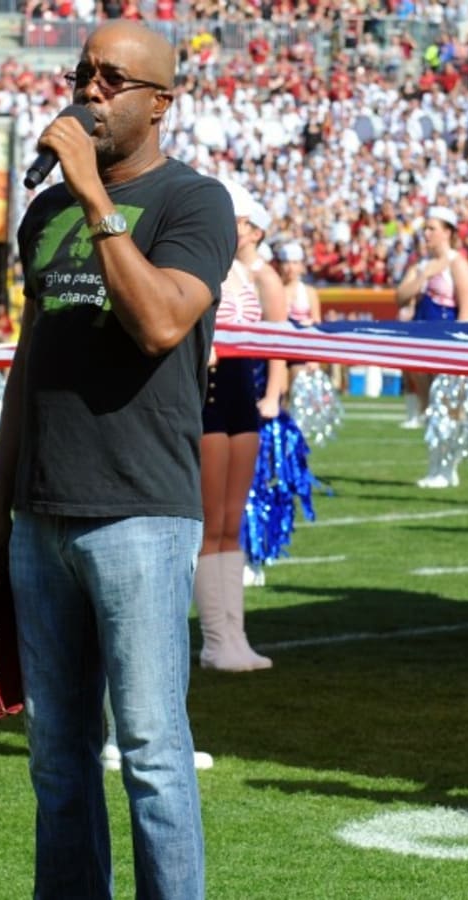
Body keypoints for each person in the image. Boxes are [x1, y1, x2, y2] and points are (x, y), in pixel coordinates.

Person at [0, 21, 234, 899]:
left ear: (161, 102)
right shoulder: (43, 213)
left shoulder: (195, 204)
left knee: (154, 755)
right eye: (83, 71)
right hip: (40, 517)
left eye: (114, 77)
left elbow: (161, 322)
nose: (89, 89)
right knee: (57, 758)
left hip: (140, 516)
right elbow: (28, 365)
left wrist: (93, 195)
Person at [195, 178, 285, 672]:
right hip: (207, 395)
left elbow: (274, 338)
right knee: (212, 523)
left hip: (240, 395)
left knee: (233, 522)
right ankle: (214, 639)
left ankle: (235, 634)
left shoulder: (244, 273)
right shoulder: (201, 264)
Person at [394, 205, 468, 488]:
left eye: (432, 228)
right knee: (430, 406)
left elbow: (466, 309)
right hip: (422, 342)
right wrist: (422, 277)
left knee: (448, 406)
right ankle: (435, 465)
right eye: (425, 228)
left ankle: (448, 466)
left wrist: (459, 350)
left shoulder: (457, 263)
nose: (426, 233)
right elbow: (400, 297)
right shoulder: (421, 265)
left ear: (448, 233)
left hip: (447, 342)